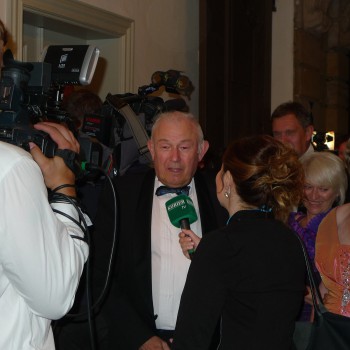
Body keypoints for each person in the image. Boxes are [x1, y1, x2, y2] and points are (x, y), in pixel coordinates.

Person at [91, 111, 228, 349]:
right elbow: (101, 276)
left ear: (201, 150)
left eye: (184, 147)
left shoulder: (223, 200)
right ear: (151, 149)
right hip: (137, 341)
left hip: (206, 341)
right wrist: (140, 337)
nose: (174, 158)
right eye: (165, 147)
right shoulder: (121, 195)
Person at [172, 135, 306, 350]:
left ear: (228, 181)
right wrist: (208, 253)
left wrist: (209, 254)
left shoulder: (221, 246)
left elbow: (191, 338)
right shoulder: (291, 239)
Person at [288, 151, 348, 321]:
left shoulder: (339, 231)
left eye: (323, 189)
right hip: (283, 318)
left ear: (337, 192)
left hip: (316, 323)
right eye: (308, 186)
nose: (313, 196)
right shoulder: (289, 221)